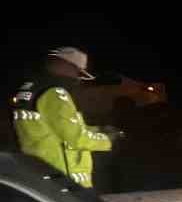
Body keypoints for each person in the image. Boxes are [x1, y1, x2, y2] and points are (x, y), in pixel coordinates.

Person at [11, 47, 114, 187]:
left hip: (40, 172)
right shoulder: (54, 93)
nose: (77, 78)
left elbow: (57, 127)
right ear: (64, 65)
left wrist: (98, 129)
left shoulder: (30, 89)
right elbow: (76, 139)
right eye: (77, 72)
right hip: (65, 179)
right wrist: (109, 140)